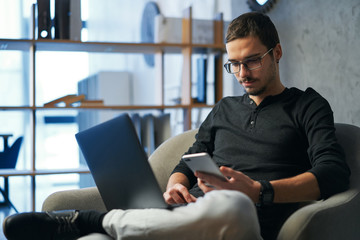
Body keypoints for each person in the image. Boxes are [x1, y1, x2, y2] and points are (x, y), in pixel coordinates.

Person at [3, 12, 350, 240]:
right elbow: (189, 159)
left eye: (252, 61)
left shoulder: (307, 105)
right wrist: (175, 186)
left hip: (245, 220)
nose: (242, 74)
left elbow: (333, 174)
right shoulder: (224, 109)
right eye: (234, 64)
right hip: (187, 215)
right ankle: (99, 226)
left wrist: (258, 191)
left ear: (276, 52)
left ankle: (91, 219)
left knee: (234, 204)